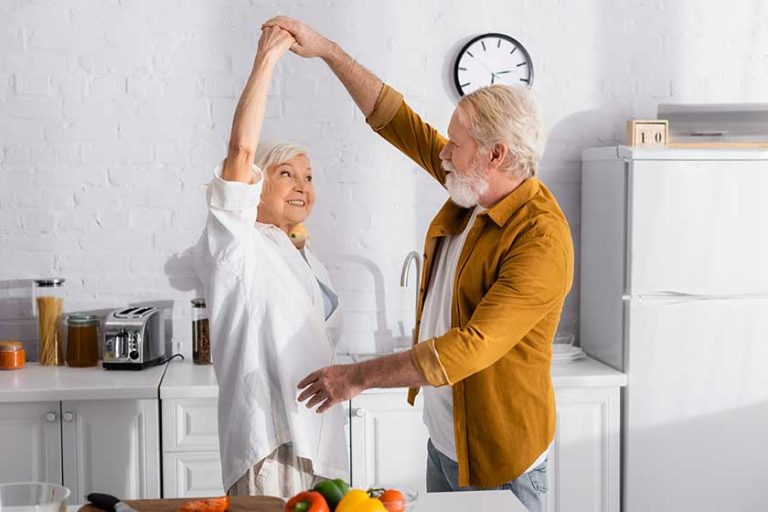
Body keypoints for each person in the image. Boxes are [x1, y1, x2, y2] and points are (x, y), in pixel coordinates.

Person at [264, 16, 575, 512]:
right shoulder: (476, 188)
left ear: (496, 154)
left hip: (498, 462)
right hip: (446, 444)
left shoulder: (540, 238)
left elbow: (467, 349)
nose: (443, 153)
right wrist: (326, 50)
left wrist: (355, 378)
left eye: (456, 144)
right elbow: (396, 120)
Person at [193, 25, 348, 498]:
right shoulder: (237, 244)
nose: (303, 184)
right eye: (286, 173)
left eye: (308, 176)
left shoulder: (303, 257)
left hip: (319, 444)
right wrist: (267, 59)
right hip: (270, 444)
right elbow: (240, 152)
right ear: (256, 187)